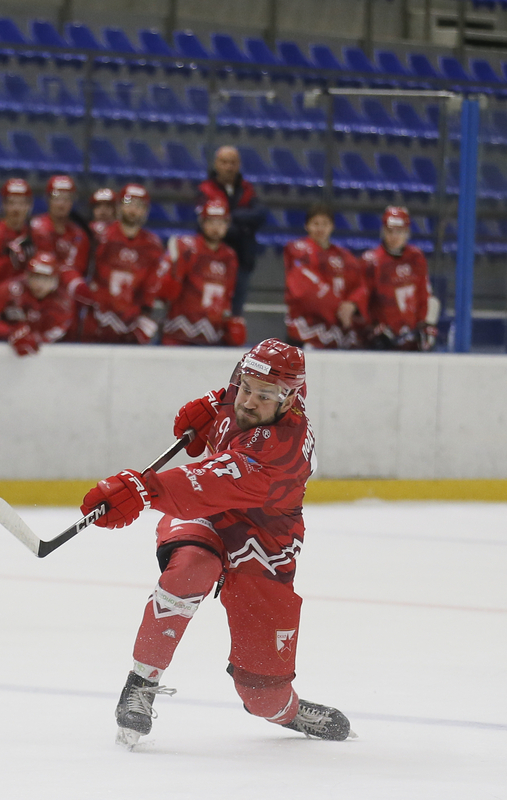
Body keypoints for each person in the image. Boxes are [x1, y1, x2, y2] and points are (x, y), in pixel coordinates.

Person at [79, 338, 353, 747]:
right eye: (246, 387)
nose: (248, 401)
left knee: (263, 696)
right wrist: (207, 413)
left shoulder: (280, 451)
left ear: (289, 400)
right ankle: (141, 684)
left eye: (264, 396)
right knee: (191, 567)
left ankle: (287, 710)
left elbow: (207, 482)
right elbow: (220, 408)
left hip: (262, 544)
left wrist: (141, 489)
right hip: (208, 515)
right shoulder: (241, 396)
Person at [79, 184, 165, 345]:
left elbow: (150, 289)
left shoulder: (153, 246)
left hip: (130, 325)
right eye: (129, 203)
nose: (133, 209)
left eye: (139, 205)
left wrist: (145, 319)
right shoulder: (98, 236)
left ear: (146, 211)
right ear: (119, 207)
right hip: (95, 322)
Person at [154, 199, 246, 347]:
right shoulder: (185, 247)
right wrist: (176, 269)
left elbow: (226, 298)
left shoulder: (230, 257)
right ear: (202, 223)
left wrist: (229, 323)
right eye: (211, 221)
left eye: (221, 222)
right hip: (178, 337)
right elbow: (163, 293)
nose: (216, 227)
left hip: (212, 339)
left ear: (227, 224)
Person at [283, 204, 369, 349]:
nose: (320, 228)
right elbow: (306, 290)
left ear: (332, 226)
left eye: (325, 224)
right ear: (306, 226)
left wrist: (352, 304)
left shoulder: (344, 257)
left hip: (335, 331)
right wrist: (338, 308)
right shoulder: (297, 250)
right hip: (305, 330)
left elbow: (359, 285)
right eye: (315, 224)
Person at [197, 146, 266, 317]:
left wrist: (228, 216)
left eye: (233, 162)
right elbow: (203, 224)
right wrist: (243, 226)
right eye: (224, 162)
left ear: (239, 164)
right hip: (211, 258)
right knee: (207, 308)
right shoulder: (206, 189)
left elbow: (260, 215)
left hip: (242, 258)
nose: (229, 167)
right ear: (216, 164)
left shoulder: (247, 189)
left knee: (235, 312)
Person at [361, 206, 438, 351]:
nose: (394, 236)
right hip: (384, 338)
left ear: (407, 233)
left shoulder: (416, 258)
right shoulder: (371, 261)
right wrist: (372, 327)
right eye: (390, 231)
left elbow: (424, 295)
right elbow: (363, 300)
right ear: (383, 231)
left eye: (399, 231)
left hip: (412, 335)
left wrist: (425, 325)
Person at [0, 251, 75, 357]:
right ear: (27, 275)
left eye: (46, 278)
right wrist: (12, 333)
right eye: (35, 276)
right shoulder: (8, 291)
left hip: (43, 356)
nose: (40, 284)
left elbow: (54, 332)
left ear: (56, 280)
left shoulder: (63, 304)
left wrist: (32, 338)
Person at [30, 174, 92, 304]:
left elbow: (77, 268)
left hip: (67, 298)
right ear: (48, 199)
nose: (61, 203)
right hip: (35, 293)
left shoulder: (79, 234)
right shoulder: (35, 228)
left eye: (66, 198)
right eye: (57, 197)